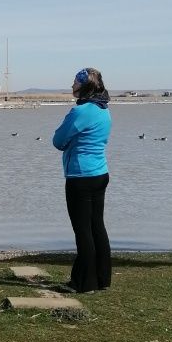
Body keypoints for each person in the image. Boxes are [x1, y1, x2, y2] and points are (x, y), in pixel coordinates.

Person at [52, 67, 112, 294]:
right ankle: (102, 278)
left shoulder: (80, 112)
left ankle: (84, 282)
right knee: (97, 226)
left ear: (84, 86)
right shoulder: (104, 110)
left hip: (80, 176)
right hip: (100, 174)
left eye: (75, 82)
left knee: (83, 230)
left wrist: (69, 143)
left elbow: (58, 141)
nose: (71, 86)